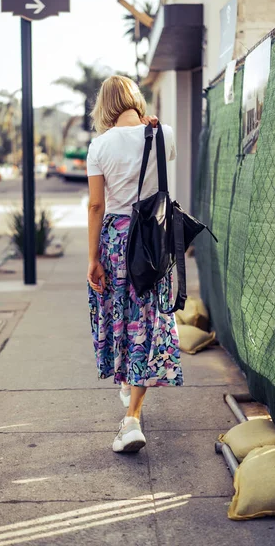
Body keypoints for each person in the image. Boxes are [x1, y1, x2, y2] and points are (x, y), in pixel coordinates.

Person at [87, 75, 183, 454]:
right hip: (154, 240)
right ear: (136, 101)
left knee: (118, 314)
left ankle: (128, 411)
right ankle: (133, 416)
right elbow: (159, 165)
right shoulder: (165, 134)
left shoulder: (100, 145)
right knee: (146, 321)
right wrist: (151, 127)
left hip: (115, 240)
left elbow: (96, 205)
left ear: (105, 107)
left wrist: (92, 258)